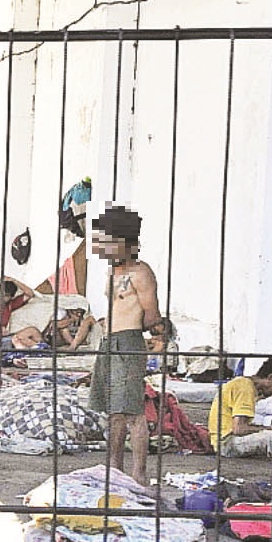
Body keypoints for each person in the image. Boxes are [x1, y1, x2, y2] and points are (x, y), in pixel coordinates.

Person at [88, 205, 162, 485]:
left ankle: (139, 476)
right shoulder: (112, 271)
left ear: (125, 243)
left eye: (107, 241)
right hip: (109, 342)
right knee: (114, 412)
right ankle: (115, 471)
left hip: (128, 343)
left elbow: (152, 315)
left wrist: (153, 332)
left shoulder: (141, 273)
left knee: (133, 413)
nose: (102, 247)